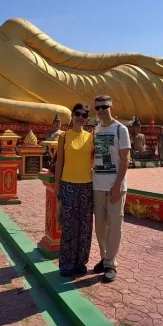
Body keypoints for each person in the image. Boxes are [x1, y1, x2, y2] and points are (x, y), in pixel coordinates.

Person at [92, 95, 131, 282]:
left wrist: (117, 186)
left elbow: (126, 160)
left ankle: (111, 264)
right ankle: (104, 257)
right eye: (97, 108)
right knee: (100, 226)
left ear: (111, 107)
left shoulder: (120, 129)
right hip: (98, 185)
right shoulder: (96, 130)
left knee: (115, 226)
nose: (100, 110)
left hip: (115, 186)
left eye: (104, 107)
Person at [54, 103, 94, 277]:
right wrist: (57, 188)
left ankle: (80, 262)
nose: (80, 117)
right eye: (77, 114)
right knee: (70, 226)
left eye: (84, 115)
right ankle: (67, 263)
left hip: (87, 186)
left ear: (87, 118)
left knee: (84, 227)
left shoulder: (92, 137)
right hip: (68, 185)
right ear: (71, 116)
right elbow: (59, 163)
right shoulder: (64, 136)